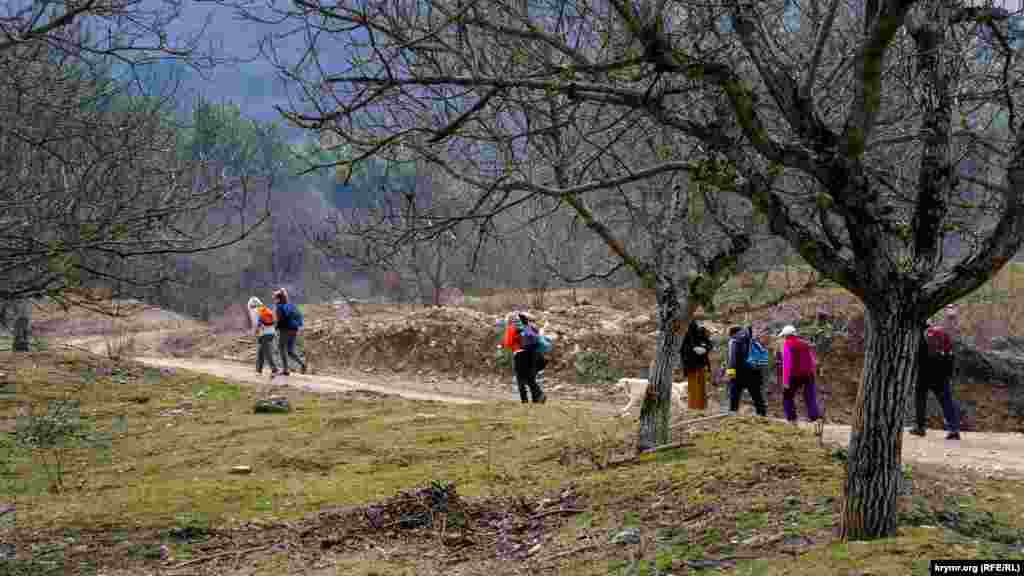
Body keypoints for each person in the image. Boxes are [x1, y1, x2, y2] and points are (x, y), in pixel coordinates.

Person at [911, 322, 961, 440]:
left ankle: (920, 427)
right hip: (941, 374)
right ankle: (953, 429)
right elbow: (950, 355)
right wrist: (949, 374)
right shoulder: (941, 333)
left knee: (920, 398)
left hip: (925, 373)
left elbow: (918, 355)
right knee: (946, 400)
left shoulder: (920, 334)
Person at [776, 325, 821, 425]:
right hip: (809, 375)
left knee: (787, 397)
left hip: (794, 376)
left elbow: (786, 365)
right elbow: (812, 361)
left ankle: (792, 420)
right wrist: (813, 373)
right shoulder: (805, 344)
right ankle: (816, 420)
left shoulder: (787, 344)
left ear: (785, 336)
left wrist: (785, 381)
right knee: (810, 397)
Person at [501, 311, 546, 404]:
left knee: (520, 379)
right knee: (530, 378)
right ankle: (537, 398)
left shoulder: (512, 327)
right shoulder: (530, 327)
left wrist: (505, 344)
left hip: (519, 354)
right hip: (533, 354)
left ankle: (525, 400)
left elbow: (508, 343)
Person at [726, 325, 767, 416]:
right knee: (757, 395)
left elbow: (732, 359)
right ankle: (762, 414)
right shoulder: (752, 339)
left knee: (734, 394)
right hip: (754, 371)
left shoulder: (734, 341)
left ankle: (733, 413)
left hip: (739, 373)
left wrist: (730, 373)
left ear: (732, 334)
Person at [273, 288, 307, 375]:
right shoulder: (290, 305)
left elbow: (280, 320)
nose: (274, 300)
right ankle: (302, 364)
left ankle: (285, 369)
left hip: (285, 330)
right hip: (294, 329)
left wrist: (276, 328)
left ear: (278, 299)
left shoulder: (279, 307)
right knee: (290, 351)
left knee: (281, 348)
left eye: (275, 298)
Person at [680, 320, 713, 410]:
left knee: (700, 388)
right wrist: (694, 349)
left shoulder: (699, 333)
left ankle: (700, 408)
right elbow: (683, 349)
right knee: (694, 388)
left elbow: (709, 343)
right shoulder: (685, 333)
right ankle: (694, 408)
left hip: (700, 364)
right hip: (692, 364)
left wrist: (705, 349)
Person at [247, 296, 279, 378]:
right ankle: (258, 370)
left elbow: (256, 324)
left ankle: (274, 369)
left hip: (263, 333)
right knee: (261, 351)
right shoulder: (264, 308)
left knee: (267, 352)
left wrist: (255, 332)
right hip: (271, 332)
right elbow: (273, 320)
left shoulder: (254, 311)